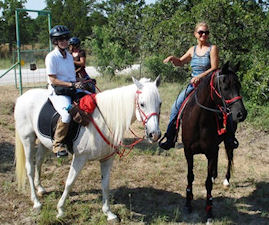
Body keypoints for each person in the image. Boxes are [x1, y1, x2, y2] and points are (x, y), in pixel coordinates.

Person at [159, 22, 238, 150]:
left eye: (206, 32)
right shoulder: (192, 49)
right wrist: (173, 59)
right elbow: (180, 62)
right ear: (195, 34)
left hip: (209, 85)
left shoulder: (212, 48)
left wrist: (200, 77)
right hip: (193, 86)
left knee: (225, 107)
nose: (203, 35)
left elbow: (214, 68)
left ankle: (229, 137)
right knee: (175, 107)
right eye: (201, 32)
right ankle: (170, 137)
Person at [46, 25, 81, 158]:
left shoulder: (69, 57)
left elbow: (70, 76)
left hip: (71, 89)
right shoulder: (51, 57)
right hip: (58, 91)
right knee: (66, 115)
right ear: (55, 41)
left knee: (92, 100)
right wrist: (70, 84)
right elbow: (53, 80)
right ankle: (58, 144)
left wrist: (81, 81)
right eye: (61, 39)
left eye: (66, 38)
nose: (64, 41)